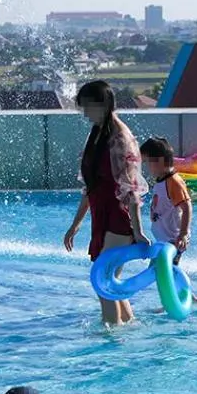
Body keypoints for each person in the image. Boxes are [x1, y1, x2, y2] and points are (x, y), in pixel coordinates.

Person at [62, 81, 147, 326]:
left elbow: (132, 189)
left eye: (88, 107)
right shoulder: (98, 132)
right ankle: (129, 328)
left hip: (117, 217)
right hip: (102, 214)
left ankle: (111, 338)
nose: (85, 113)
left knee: (104, 282)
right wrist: (76, 224)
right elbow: (91, 186)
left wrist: (138, 231)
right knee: (108, 281)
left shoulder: (120, 138)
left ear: (102, 105)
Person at [140, 137, 192, 264]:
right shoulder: (161, 179)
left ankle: (179, 284)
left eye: (147, 162)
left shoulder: (173, 182)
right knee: (156, 271)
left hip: (174, 240)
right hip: (164, 239)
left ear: (159, 162)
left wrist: (183, 234)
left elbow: (187, 207)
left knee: (162, 272)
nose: (147, 167)